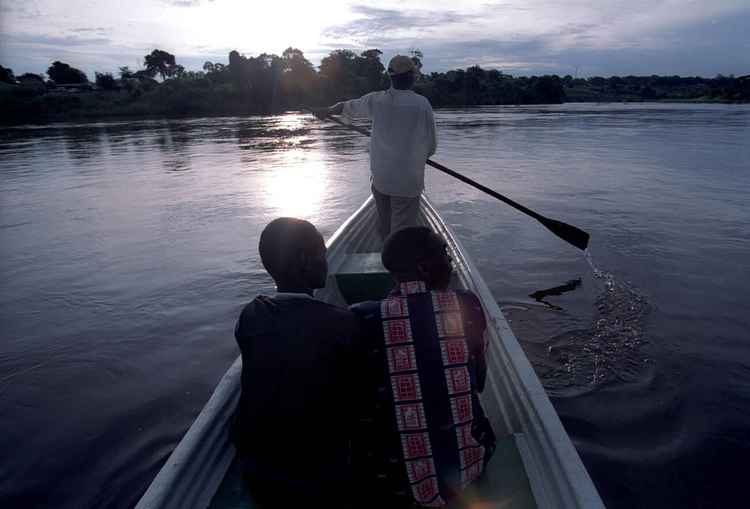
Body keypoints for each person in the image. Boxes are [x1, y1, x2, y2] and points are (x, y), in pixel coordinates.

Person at [350, 226, 496, 507]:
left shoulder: (362, 316)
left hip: (392, 482)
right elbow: (478, 382)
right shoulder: (466, 303)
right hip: (469, 466)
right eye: (444, 253)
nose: (451, 260)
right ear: (425, 268)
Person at [231, 217, 357, 508]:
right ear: (304, 260)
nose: (326, 262)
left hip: (259, 468)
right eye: (322, 254)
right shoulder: (341, 323)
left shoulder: (251, 315)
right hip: (317, 472)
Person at [313, 55, 437, 238]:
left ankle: (386, 247)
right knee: (403, 233)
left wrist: (327, 110)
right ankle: (399, 259)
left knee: (385, 226)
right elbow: (431, 145)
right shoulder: (422, 104)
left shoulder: (377, 100)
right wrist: (421, 155)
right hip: (408, 182)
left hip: (382, 180)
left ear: (391, 77)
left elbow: (346, 107)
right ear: (412, 76)